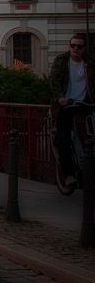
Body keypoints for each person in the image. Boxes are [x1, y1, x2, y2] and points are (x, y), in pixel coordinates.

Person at [50, 33, 95, 185]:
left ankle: (87, 166)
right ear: (69, 46)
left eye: (79, 46)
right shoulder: (62, 60)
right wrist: (59, 98)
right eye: (73, 45)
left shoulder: (90, 62)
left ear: (84, 49)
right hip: (66, 104)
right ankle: (69, 174)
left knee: (90, 135)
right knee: (64, 138)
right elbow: (54, 80)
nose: (75, 48)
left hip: (84, 103)